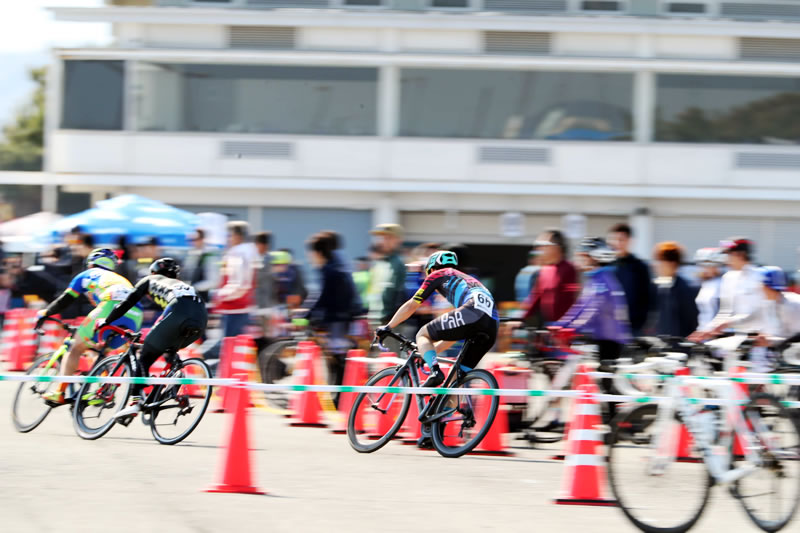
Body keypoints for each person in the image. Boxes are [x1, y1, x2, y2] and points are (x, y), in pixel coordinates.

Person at [97, 258, 208, 418]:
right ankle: (168, 388)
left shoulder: (150, 279)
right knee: (169, 350)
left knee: (145, 358)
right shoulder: (181, 285)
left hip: (178, 310)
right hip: (201, 318)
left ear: (154, 272)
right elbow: (165, 317)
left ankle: (135, 402)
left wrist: (107, 321)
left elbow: (127, 303)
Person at [34, 248, 144, 405]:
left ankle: (59, 392)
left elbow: (65, 299)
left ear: (91, 264)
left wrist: (45, 313)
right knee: (99, 350)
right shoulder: (119, 279)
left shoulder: (88, 274)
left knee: (75, 348)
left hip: (110, 306)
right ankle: (104, 390)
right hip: (136, 315)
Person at [376, 250, 499, 391]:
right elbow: (455, 334)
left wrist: (388, 326)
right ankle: (452, 412)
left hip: (473, 312)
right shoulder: (467, 279)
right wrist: (428, 352)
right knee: (455, 379)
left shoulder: (438, 274)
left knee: (422, 334)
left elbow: (412, 305)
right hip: (492, 325)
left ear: (432, 269)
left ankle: (435, 372)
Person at [554, 238, 631, 362]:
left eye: (584, 256)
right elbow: (580, 307)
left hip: (610, 340)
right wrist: (561, 324)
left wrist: (573, 328)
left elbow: (593, 310)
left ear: (595, 258)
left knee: (604, 378)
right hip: (600, 337)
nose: (580, 261)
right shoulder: (594, 280)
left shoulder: (603, 281)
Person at [305, 232, 361, 391]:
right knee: (337, 359)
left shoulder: (330, 269)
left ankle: (341, 396)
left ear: (318, 252)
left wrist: (307, 314)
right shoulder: (337, 264)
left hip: (338, 319)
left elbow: (322, 296)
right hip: (342, 317)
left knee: (338, 359)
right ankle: (339, 394)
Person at [690, 238, 764, 340]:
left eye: (728, 255)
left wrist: (727, 323)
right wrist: (708, 330)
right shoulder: (728, 277)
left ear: (740, 255)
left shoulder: (760, 276)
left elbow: (762, 312)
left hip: (758, 336)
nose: (725, 260)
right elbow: (725, 312)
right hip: (735, 336)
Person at [521, 229, 579, 327]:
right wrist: (520, 318)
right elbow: (535, 297)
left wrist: (566, 324)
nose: (540, 249)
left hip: (566, 327)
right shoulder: (545, 270)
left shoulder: (569, 269)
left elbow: (572, 299)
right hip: (549, 326)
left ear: (557, 247)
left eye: (544, 246)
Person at [607, 223, 655, 336]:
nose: (618, 243)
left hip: (634, 327)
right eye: (614, 239)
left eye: (621, 239)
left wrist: (645, 323)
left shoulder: (640, 267)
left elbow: (649, 297)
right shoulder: (605, 266)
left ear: (630, 240)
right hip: (608, 326)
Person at [212, 221, 257, 340]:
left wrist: (220, 296)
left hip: (235, 307)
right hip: (238, 306)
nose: (228, 239)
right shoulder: (246, 251)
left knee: (229, 346)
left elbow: (241, 284)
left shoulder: (239, 252)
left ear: (237, 236)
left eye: (229, 235)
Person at [653, 241, 698, 339]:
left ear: (672, 264)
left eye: (660, 261)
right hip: (660, 346)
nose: (657, 265)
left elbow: (691, 322)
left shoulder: (687, 289)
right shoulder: (658, 287)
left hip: (680, 347)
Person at [368, 223, 408, 325]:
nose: (382, 241)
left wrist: (390, 320)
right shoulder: (381, 263)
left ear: (398, 240)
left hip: (389, 322)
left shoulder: (398, 264)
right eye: (381, 238)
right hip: (376, 318)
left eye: (388, 238)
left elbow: (398, 293)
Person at [182, 229, 220, 304]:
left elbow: (214, 281)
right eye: (191, 240)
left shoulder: (209, 255)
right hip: (191, 301)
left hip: (203, 301)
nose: (192, 242)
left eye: (195, 239)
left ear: (202, 239)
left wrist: (194, 288)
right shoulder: (191, 255)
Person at [694, 247, 725, 331]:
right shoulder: (704, 284)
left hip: (716, 334)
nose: (705, 268)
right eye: (702, 265)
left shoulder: (722, 283)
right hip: (703, 332)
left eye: (709, 264)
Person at [253, 231, 277, 335]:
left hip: (266, 304)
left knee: (266, 333)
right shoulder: (253, 259)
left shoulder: (270, 260)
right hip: (254, 303)